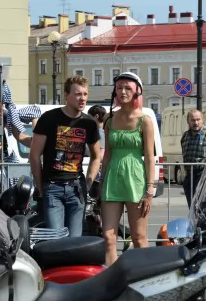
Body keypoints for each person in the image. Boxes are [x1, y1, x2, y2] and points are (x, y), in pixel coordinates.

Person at [29, 75, 101, 237]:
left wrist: (88, 183)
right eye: (77, 94)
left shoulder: (89, 123)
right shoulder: (49, 118)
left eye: (85, 94)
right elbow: (34, 156)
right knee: (56, 240)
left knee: (74, 242)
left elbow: (97, 156)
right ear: (66, 95)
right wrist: (41, 187)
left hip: (77, 188)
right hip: (53, 188)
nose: (82, 98)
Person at [100, 72, 155, 266]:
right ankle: (110, 282)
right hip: (112, 179)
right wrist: (100, 181)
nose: (122, 91)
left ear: (136, 92)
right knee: (108, 237)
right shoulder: (109, 118)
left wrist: (150, 190)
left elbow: (149, 157)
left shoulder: (145, 120)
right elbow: (106, 154)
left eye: (127, 88)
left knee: (139, 237)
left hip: (136, 179)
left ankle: (144, 279)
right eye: (119, 87)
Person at [181, 109, 206, 208]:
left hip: (203, 174)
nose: (196, 123)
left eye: (198, 119)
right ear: (188, 121)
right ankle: (193, 222)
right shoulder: (185, 136)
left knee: (202, 207)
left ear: (202, 120)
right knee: (192, 207)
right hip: (189, 174)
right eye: (193, 120)